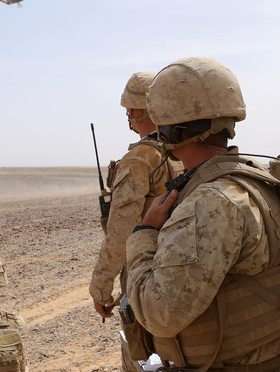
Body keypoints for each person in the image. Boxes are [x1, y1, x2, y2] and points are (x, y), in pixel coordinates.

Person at [125, 57, 280, 370]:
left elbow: (159, 313)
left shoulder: (210, 203)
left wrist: (145, 234)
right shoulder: (254, 178)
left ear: (169, 129)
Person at [88, 71, 183, 370]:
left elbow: (120, 231)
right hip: (179, 261)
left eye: (130, 109)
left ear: (142, 110)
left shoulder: (140, 158)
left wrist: (100, 287)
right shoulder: (182, 153)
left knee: (142, 353)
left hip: (144, 266)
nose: (128, 115)